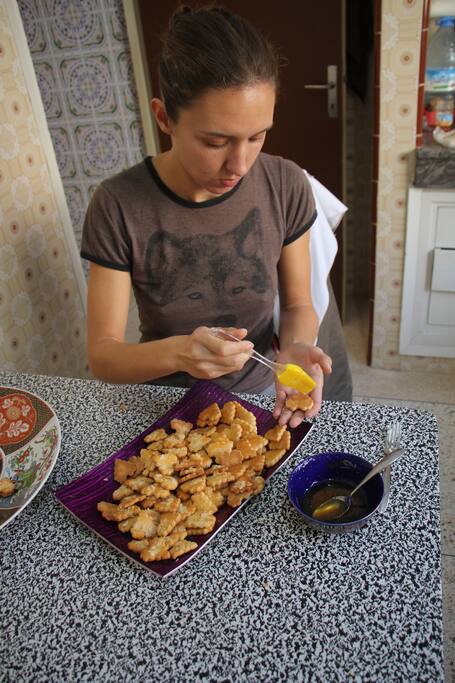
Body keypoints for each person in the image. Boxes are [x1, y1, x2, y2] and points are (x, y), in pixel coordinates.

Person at [81, 4, 350, 428]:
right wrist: (179, 353)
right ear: (164, 118)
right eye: (215, 142)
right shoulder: (118, 205)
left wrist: (295, 347)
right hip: (166, 402)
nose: (240, 165)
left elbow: (298, 303)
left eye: (257, 137)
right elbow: (104, 356)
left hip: (260, 394)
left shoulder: (284, 183)